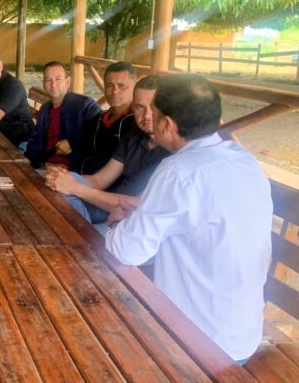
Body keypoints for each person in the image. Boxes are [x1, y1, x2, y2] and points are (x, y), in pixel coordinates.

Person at [105, 74, 272, 363]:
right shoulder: (244, 160)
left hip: (196, 342)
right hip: (241, 334)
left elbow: (127, 250)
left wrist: (117, 223)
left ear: (166, 124)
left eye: (153, 115)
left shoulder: (178, 170)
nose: (148, 120)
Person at [46, 75, 170, 227]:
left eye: (154, 107)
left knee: (65, 202)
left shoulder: (174, 151)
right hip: (106, 204)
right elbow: (100, 180)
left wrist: (77, 188)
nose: (147, 115)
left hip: (129, 222)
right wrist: (63, 178)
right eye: (139, 107)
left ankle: (85, 240)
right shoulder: (133, 131)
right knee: (59, 182)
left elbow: (136, 208)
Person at [25, 61, 102, 169]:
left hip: (72, 172)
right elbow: (35, 141)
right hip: (44, 167)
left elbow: (101, 133)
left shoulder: (85, 105)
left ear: (67, 81)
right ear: (43, 84)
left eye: (58, 79)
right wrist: (35, 164)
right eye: (48, 80)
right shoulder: (45, 109)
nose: (53, 84)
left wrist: (73, 144)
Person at [77, 61, 137, 175]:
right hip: (81, 178)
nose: (114, 92)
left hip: (109, 189)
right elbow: (84, 153)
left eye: (121, 86)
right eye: (110, 85)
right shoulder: (99, 119)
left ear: (134, 86)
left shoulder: (137, 123)